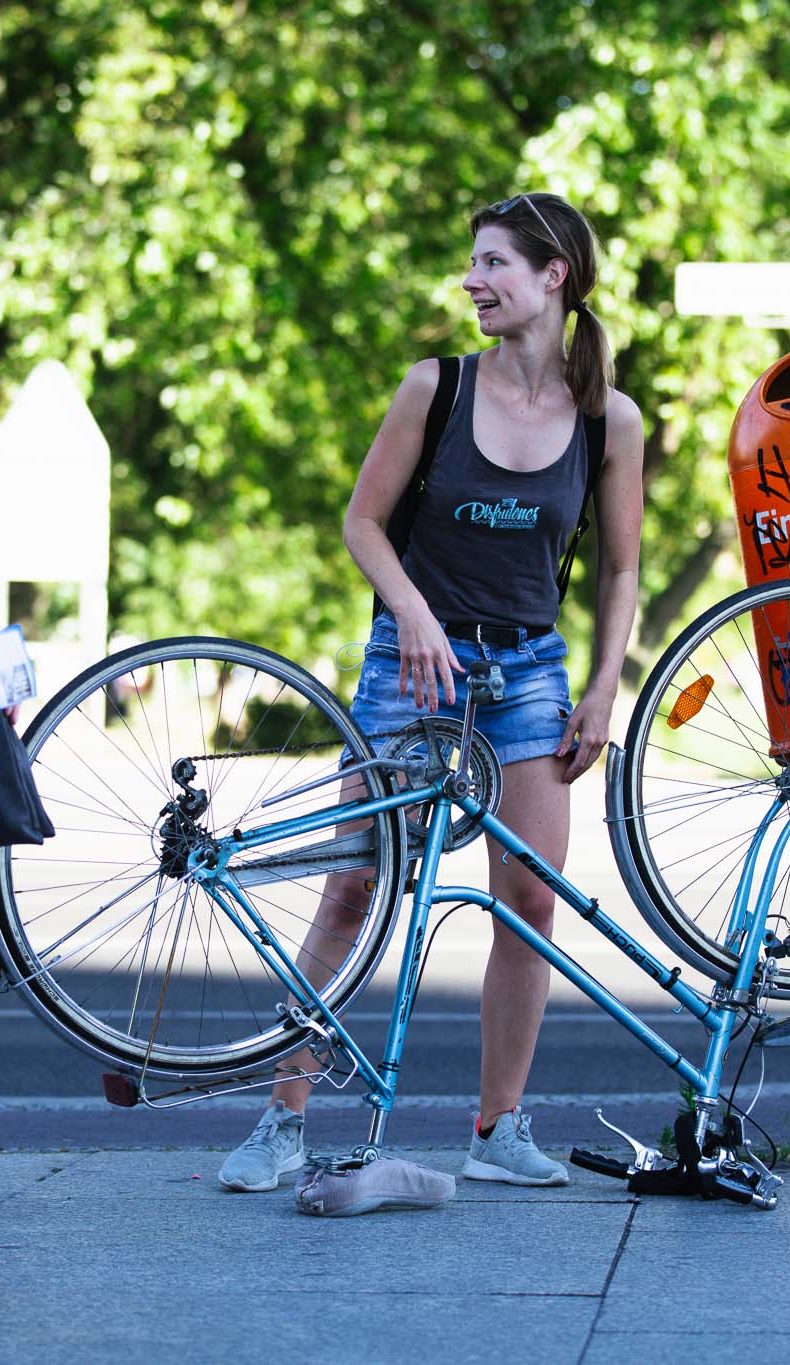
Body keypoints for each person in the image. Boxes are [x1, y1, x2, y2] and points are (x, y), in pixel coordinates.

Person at [218, 192, 644, 1194]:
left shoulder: (606, 420)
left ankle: (496, 1131)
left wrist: (603, 689)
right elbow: (362, 523)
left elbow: (621, 571)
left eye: (493, 262)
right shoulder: (436, 389)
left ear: (554, 276)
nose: (471, 282)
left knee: (529, 902)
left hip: (527, 675)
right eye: (472, 263)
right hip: (409, 668)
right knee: (355, 887)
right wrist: (407, 610)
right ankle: (281, 1121)